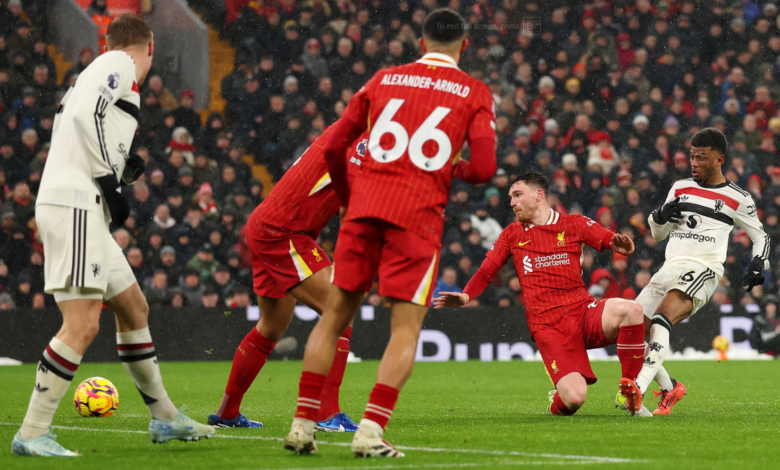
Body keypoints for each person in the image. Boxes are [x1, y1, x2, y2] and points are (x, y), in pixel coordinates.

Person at [284, 8, 497, 458]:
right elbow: (483, 169)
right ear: (465, 46)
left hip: (364, 211)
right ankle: (370, 432)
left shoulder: (383, 79)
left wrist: (347, 198)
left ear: (421, 44)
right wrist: (446, 166)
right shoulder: (474, 91)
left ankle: (302, 426)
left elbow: (338, 145)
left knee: (335, 316)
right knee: (405, 329)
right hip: (415, 219)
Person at [12, 15, 214, 458]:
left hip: (81, 203)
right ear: (151, 47)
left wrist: (117, 168)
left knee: (133, 306)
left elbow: (80, 123)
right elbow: (88, 116)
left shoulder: (98, 73)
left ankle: (163, 417)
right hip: (77, 202)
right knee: (82, 324)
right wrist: (107, 178)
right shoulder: (119, 63)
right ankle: (31, 432)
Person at [434, 171, 645, 416]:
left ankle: (629, 389)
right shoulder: (512, 234)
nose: (512, 202)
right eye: (511, 197)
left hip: (582, 311)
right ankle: (558, 399)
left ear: (538, 195)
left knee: (632, 310)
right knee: (575, 399)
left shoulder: (574, 223)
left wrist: (625, 246)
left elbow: (610, 239)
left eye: (517, 195)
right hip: (548, 325)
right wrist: (466, 296)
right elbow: (485, 272)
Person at [208, 122, 366, 431]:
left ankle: (227, 413)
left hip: (267, 226)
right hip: (283, 232)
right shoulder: (363, 141)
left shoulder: (348, 131)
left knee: (271, 327)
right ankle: (326, 413)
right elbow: (353, 206)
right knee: (341, 309)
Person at [631, 127, 770, 416]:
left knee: (661, 318)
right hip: (668, 268)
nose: (693, 162)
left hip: (703, 269)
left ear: (720, 159)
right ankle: (670, 387)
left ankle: (638, 388)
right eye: (691, 156)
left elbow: (761, 237)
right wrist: (659, 217)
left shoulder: (738, 198)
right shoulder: (680, 188)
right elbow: (658, 233)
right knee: (631, 328)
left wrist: (759, 263)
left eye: (701, 157)